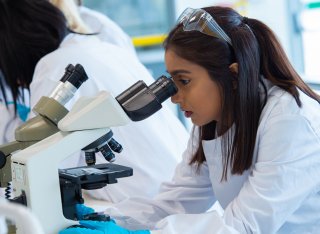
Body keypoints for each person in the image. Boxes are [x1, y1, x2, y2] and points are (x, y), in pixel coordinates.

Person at [60, 5, 320, 234]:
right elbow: (175, 202)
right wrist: (108, 219)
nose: (174, 97)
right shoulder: (213, 118)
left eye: (184, 81)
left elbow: (244, 226)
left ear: (233, 75)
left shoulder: (290, 121)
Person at [0, 0, 189, 202]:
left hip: (152, 208)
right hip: (180, 198)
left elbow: (42, 172)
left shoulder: (54, 67)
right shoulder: (104, 49)